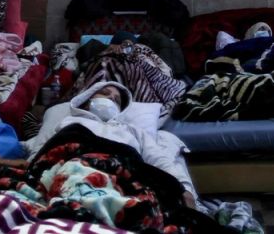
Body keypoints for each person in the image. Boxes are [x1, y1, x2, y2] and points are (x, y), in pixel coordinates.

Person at [29, 80, 199, 208]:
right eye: (105, 93)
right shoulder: (69, 123)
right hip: (73, 166)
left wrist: (184, 188)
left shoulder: (133, 131)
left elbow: (159, 160)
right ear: (87, 100)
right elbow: (45, 152)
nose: (111, 98)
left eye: (117, 100)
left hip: (122, 171)